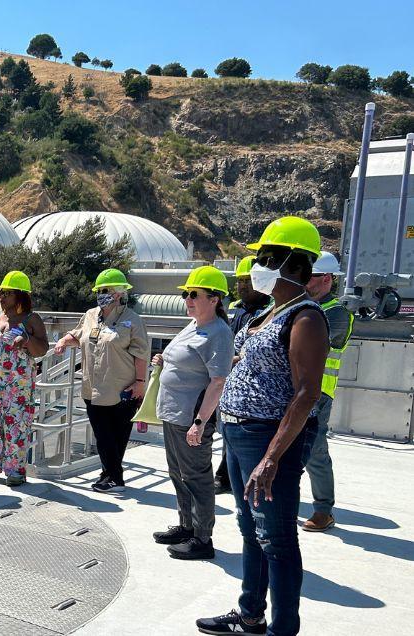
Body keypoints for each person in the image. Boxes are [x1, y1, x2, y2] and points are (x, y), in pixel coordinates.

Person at [196, 216, 329, 636]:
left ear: (295, 266)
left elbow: (307, 393)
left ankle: (282, 629)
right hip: (238, 435)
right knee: (250, 531)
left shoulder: (305, 318)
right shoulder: (271, 312)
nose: (258, 266)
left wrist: (272, 457)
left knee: (277, 539)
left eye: (267, 258)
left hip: (267, 438)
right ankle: (251, 614)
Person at [151, 266, 233, 561]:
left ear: (214, 299)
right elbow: (184, 357)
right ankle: (186, 526)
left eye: (193, 294)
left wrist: (199, 422)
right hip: (173, 413)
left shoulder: (219, 333)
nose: (187, 299)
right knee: (177, 473)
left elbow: (217, 381)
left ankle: (202, 538)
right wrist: (164, 358)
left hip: (190, 418)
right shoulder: (194, 324)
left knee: (197, 477)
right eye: (186, 294)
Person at [53, 268, 150, 494]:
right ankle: (112, 477)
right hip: (93, 387)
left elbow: (141, 354)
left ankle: (112, 477)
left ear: (119, 293)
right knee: (103, 435)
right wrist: (63, 343)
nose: (101, 295)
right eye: (99, 290)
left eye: (106, 290)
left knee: (117, 436)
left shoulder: (132, 320)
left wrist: (140, 382)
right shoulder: (90, 315)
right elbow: (78, 335)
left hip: (122, 388)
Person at [0, 271, 49, 486]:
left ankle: (15, 470)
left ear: (20, 296)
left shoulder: (32, 319)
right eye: (0, 293)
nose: (1, 297)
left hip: (19, 383)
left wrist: (27, 339)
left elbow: (42, 348)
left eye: (6, 293)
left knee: (17, 425)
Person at [301, 251, 353, 532]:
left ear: (327, 279)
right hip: (295, 389)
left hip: (319, 393)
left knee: (315, 451)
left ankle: (324, 510)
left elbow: (313, 346)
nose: (305, 282)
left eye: (310, 277)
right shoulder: (302, 307)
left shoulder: (337, 313)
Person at [216, 256, 272, 494]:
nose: (242, 286)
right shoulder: (234, 309)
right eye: (239, 280)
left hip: (256, 386)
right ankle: (227, 475)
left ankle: (234, 477)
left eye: (247, 280)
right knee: (228, 429)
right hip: (229, 381)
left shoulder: (269, 311)